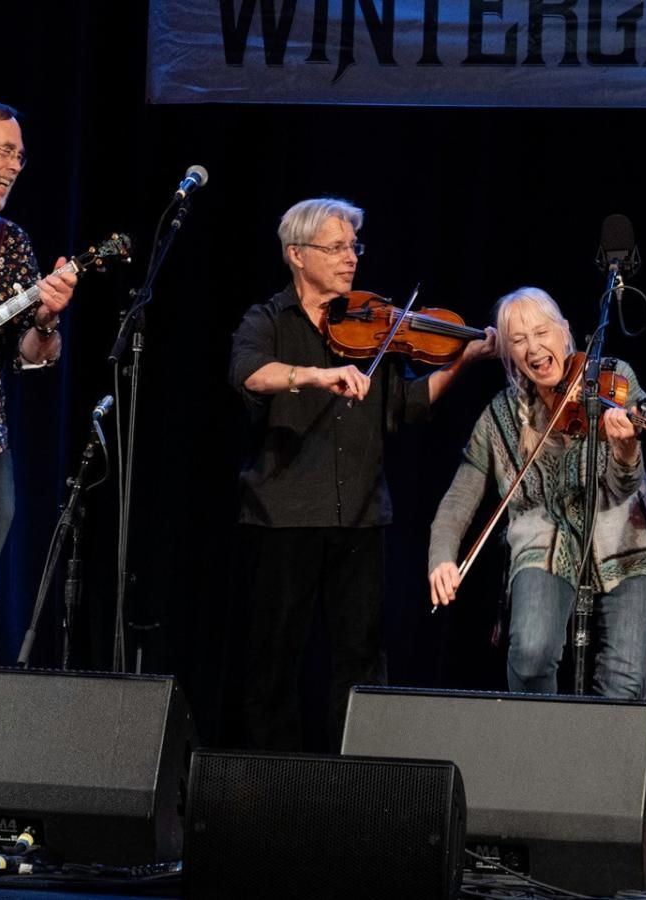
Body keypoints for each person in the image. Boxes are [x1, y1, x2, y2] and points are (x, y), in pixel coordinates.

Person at [229, 196, 495, 750]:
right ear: (297, 255)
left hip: (361, 515)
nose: (351, 257)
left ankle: (354, 787)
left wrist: (461, 360)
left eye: (354, 246)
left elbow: (407, 404)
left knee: (361, 659)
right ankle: (269, 784)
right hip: (283, 517)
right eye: (336, 247)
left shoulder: (372, 323)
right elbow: (250, 374)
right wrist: (318, 376)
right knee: (275, 659)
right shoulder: (267, 320)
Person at [428, 287, 646, 699]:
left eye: (542, 333)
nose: (534, 348)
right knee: (530, 654)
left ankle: (598, 763)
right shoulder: (502, 413)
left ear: (565, 332)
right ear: (507, 352)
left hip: (625, 540)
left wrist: (627, 447)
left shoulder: (614, 380)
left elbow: (623, 487)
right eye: (518, 340)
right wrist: (442, 557)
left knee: (621, 683)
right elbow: (460, 495)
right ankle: (545, 746)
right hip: (543, 542)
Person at [0, 99, 77, 667]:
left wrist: (47, 319)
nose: (14, 165)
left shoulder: (10, 244)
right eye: (5, 150)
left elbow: (32, 355)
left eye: (20, 157)